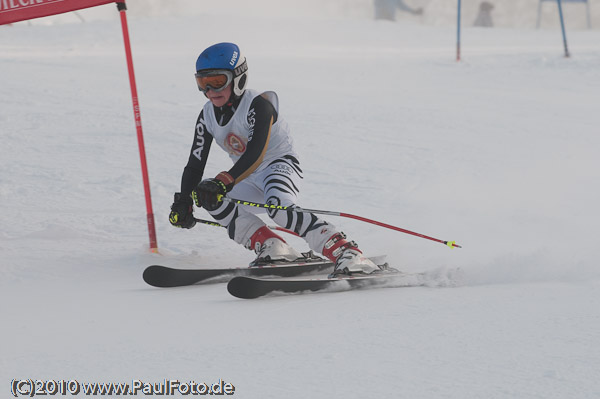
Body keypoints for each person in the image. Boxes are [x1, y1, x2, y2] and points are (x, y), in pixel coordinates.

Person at [168, 42, 381, 276]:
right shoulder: (207, 115)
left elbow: (256, 152)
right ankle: (272, 245)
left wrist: (225, 179)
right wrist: (184, 200)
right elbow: (195, 163)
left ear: (238, 78)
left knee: (278, 208)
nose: (210, 90)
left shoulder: (259, 105)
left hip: (279, 166)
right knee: (208, 195)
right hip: (247, 176)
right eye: (203, 83)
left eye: (218, 81)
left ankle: (346, 252)